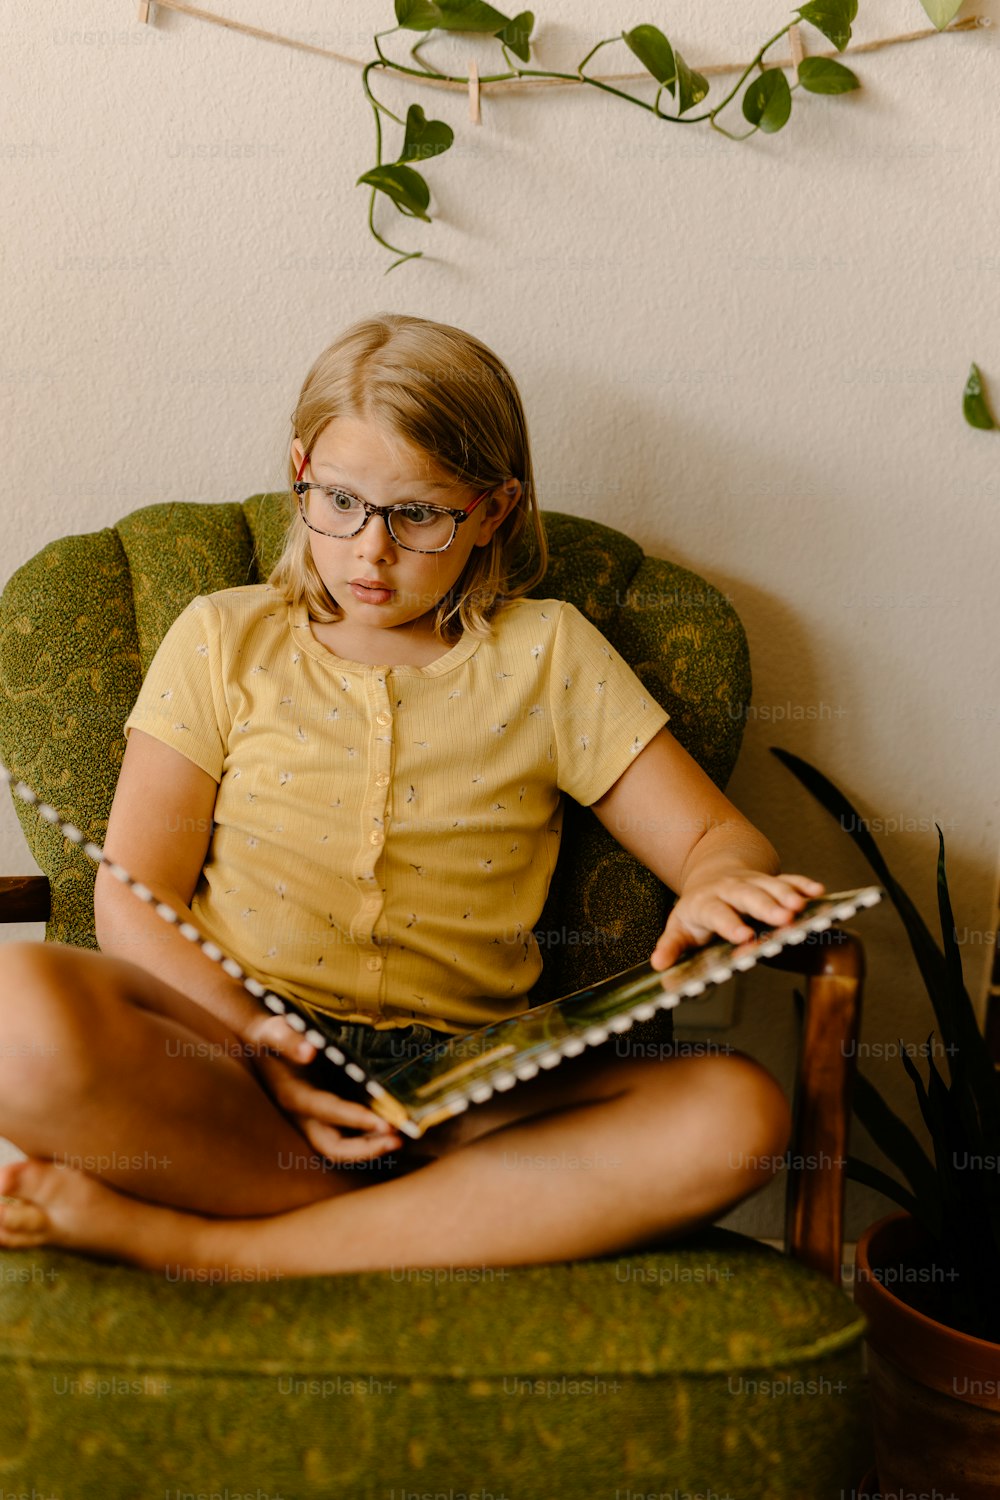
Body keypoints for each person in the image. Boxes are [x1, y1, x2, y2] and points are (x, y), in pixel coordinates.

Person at [0, 313, 820, 1279]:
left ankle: (218, 1247)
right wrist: (257, 1040)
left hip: (461, 1097)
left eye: (419, 514)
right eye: (340, 501)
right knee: (11, 1007)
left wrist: (720, 878)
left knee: (739, 1112)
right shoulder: (226, 636)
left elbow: (716, 838)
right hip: (238, 1064)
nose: (370, 554)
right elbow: (133, 898)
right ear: (299, 469)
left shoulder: (547, 654)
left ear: (495, 508)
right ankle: (411, 1224)